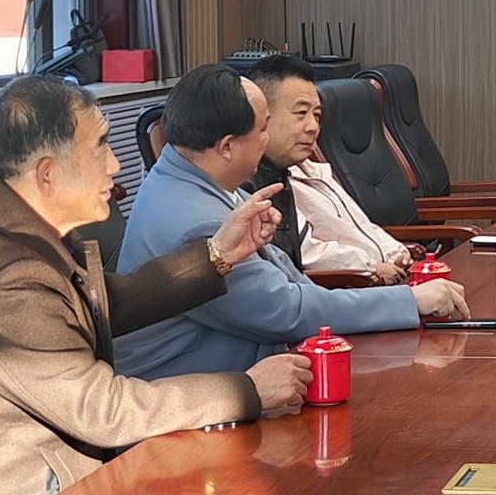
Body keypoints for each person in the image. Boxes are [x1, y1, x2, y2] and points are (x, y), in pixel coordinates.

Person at [0, 76, 311, 495]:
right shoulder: (4, 279)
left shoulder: (14, 225)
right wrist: (247, 390)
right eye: (101, 147)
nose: (115, 164)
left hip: (59, 492)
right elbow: (101, 410)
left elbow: (98, 304)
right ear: (47, 175)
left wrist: (217, 255)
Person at [114, 64, 468, 380]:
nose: (267, 140)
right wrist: (407, 301)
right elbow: (285, 310)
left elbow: (288, 278)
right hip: (198, 393)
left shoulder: (195, 179)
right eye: (262, 129)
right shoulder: (195, 221)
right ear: (226, 147)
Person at [248, 53, 411, 283]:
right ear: (261, 116)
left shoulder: (308, 170)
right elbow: (307, 256)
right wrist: (370, 268)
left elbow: (361, 225)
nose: (313, 127)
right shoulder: (251, 185)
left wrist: (395, 253)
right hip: (349, 287)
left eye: (317, 116)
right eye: (301, 113)